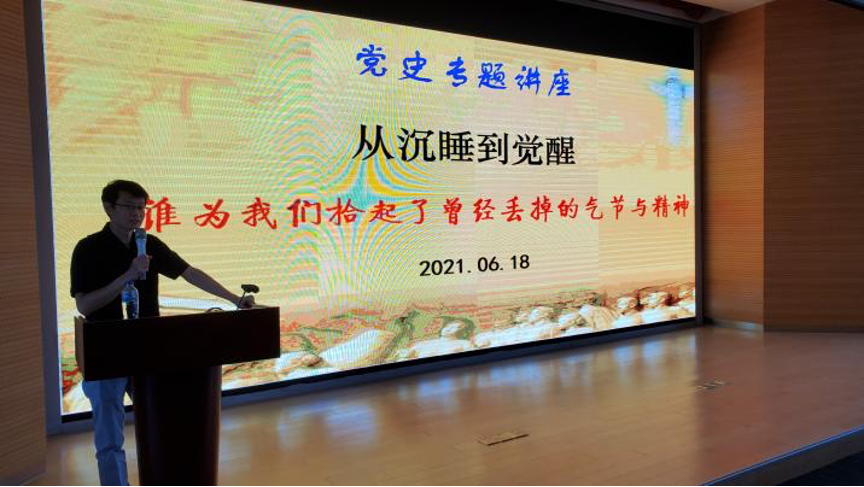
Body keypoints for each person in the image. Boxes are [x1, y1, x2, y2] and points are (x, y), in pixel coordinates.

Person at [71, 180, 255, 486]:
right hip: (106, 351)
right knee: (109, 439)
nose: (137, 213)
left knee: (161, 425)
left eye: (141, 207)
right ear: (108, 207)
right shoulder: (88, 248)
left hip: (149, 349)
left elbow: (189, 273)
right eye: (129, 206)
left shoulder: (149, 244)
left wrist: (234, 299)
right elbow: (85, 304)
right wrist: (129, 275)